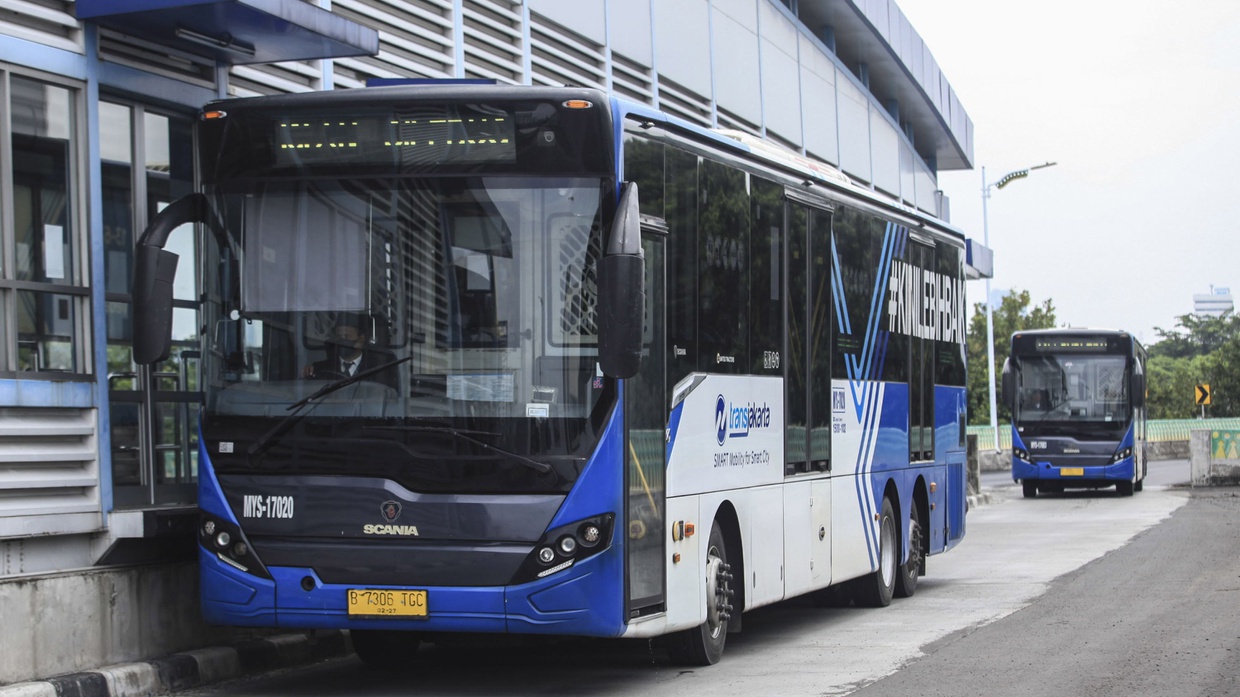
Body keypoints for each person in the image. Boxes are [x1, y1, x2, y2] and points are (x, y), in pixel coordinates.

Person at [302, 313, 398, 390]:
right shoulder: (320, 370)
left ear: (361, 339)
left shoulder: (378, 370)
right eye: (338, 337)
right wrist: (306, 375)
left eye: (346, 337)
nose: (341, 341)